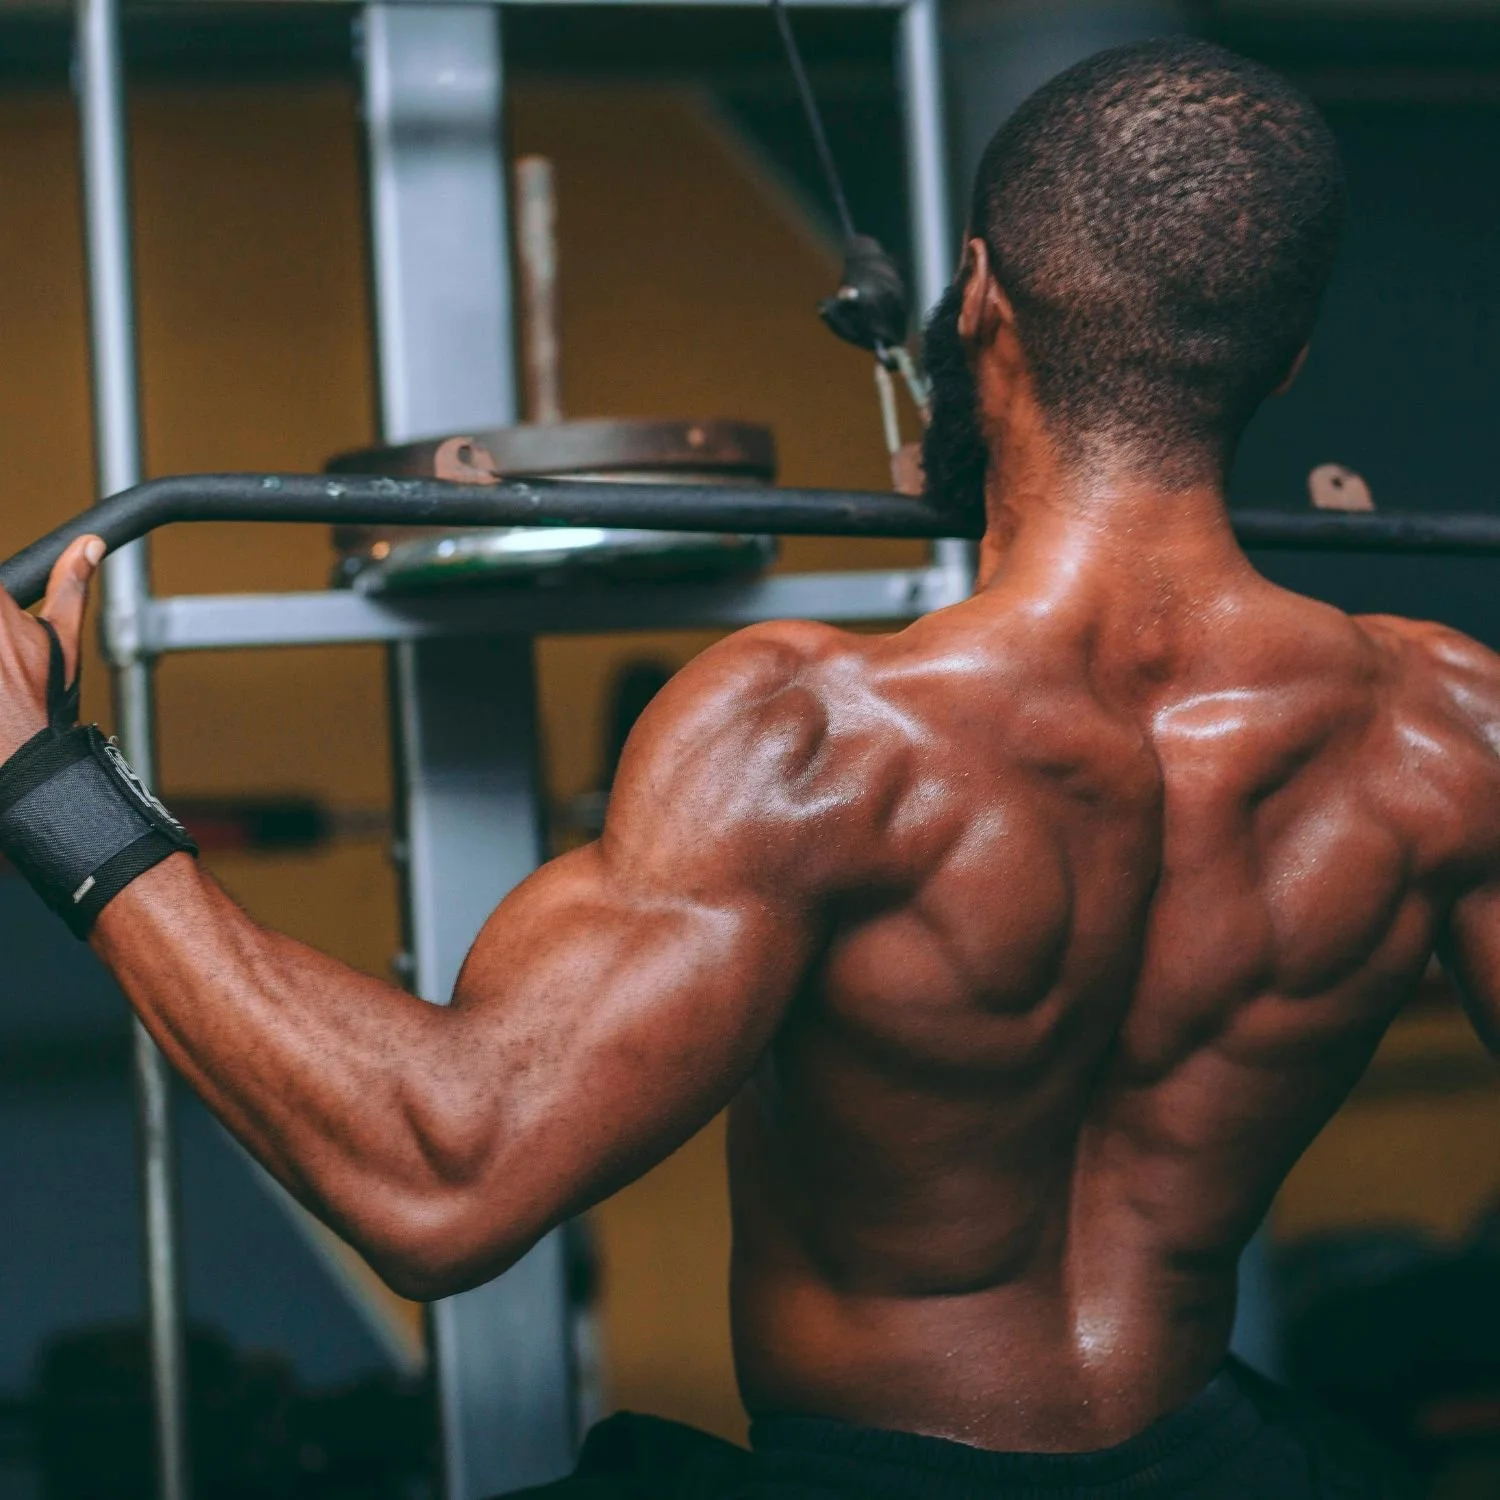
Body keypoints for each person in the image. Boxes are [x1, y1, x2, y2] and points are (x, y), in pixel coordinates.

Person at [0, 35, 1487, 1499]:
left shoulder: (822, 740)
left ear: (979, 298)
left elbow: (443, 1179)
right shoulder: (1448, 730)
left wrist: (50, 781)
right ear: (1287, 360)